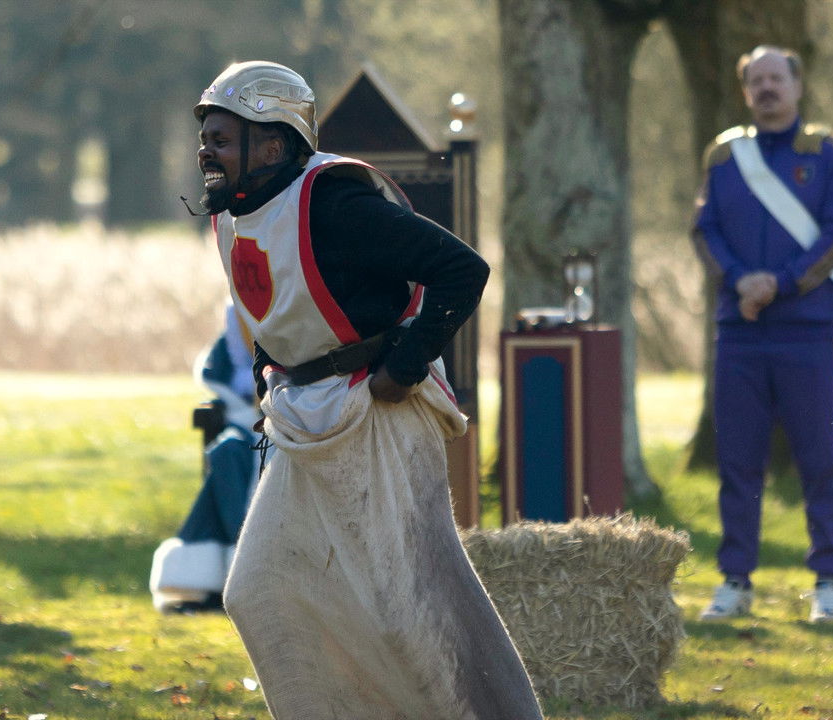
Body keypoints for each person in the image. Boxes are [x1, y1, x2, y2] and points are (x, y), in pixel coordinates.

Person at [190, 61, 542, 718]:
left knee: (407, 616)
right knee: (259, 590)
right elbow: (274, 308)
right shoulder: (238, 211)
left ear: (273, 142)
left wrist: (400, 371)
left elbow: (461, 270)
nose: (207, 150)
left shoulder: (337, 204)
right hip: (303, 422)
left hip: (379, 417)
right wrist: (275, 375)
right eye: (206, 136)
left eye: (223, 136)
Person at [691, 45, 833, 623]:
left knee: (817, 457)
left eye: (775, 78)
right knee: (737, 460)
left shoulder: (829, 154)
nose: (767, 88)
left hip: (807, 330)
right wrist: (742, 280)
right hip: (740, 330)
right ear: (745, 92)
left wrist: (782, 284)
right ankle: (736, 580)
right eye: (755, 80)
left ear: (796, 84)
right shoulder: (722, 157)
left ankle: (830, 581)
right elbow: (705, 230)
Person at [150, 306, 263, 613]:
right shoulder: (237, 319)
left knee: (233, 458)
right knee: (227, 452)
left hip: (290, 423)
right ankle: (227, 577)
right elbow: (226, 379)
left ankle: (229, 580)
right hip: (244, 424)